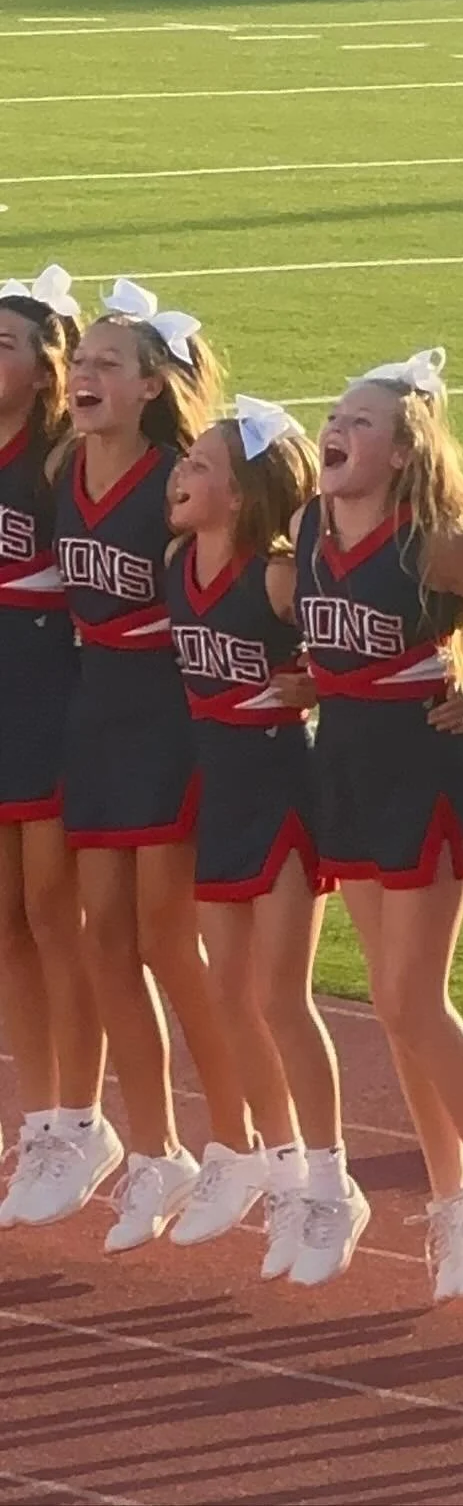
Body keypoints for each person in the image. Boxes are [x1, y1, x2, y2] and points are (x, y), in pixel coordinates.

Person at [296, 346, 463, 1302]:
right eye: (336, 415)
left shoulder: (434, 545)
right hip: (346, 769)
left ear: (404, 451)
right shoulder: (306, 526)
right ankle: (452, 1199)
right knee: (393, 1007)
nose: (338, 431)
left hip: (422, 771)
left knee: (412, 1000)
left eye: (362, 423)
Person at [55, 280, 252, 1252]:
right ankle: (154, 1150)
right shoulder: (63, 470)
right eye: (79, 361)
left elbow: (248, 586)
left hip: (169, 717)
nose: (84, 376)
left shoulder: (180, 480)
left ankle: (238, 1141)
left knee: (171, 941)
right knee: (103, 941)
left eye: (105, 366)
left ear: (149, 388)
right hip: (96, 712)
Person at [164, 395, 368, 1282]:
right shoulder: (176, 564)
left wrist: (324, 689)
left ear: (244, 494)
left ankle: (330, 1180)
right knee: (227, 995)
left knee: (281, 997)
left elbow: (359, 648)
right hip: (219, 793)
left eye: (202, 467)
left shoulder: (280, 578)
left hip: (283, 788)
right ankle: (283, 1170)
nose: (182, 475)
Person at [0, 266, 111, 1228]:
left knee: (52, 912)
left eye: (2, 344)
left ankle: (78, 1118)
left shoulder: (63, 461)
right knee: (3, 922)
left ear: (47, 368)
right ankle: (37, 1119)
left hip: (49, 697)